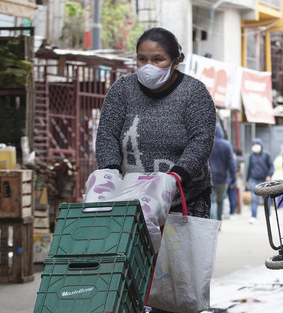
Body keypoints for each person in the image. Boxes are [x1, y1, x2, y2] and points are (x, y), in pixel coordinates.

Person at [95, 27, 216, 313]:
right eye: (141, 59)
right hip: (133, 201)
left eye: (158, 59)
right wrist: (110, 171)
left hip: (184, 197)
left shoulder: (193, 92)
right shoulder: (122, 90)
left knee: (176, 279)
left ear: (176, 61)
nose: (148, 67)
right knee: (134, 276)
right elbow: (107, 134)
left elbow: (202, 138)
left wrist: (177, 176)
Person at [209, 123, 236, 221]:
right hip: (223, 179)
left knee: (211, 202)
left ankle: (214, 221)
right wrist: (233, 179)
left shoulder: (208, 143)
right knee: (220, 201)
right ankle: (219, 222)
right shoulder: (226, 145)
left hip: (210, 179)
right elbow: (232, 164)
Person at [245, 138, 274, 223]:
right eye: (253, 145)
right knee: (254, 199)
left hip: (264, 181)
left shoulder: (267, 155)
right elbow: (249, 169)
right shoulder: (251, 156)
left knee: (266, 199)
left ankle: (269, 216)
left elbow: (271, 167)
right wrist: (247, 180)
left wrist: (269, 175)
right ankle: (253, 216)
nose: (255, 146)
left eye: (256, 145)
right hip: (254, 180)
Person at [228, 147, 245, 217]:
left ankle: (230, 212)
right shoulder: (237, 159)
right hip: (235, 180)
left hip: (226, 180)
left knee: (228, 198)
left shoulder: (229, 158)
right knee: (233, 197)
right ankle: (232, 212)